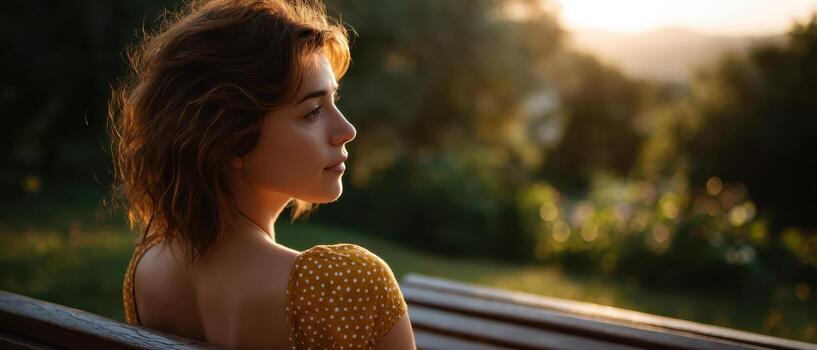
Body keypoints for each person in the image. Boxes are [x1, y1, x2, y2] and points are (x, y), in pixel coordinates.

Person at [108, 0, 416, 348]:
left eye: (334, 101)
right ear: (231, 139)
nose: (346, 130)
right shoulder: (343, 286)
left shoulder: (147, 270)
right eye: (313, 111)